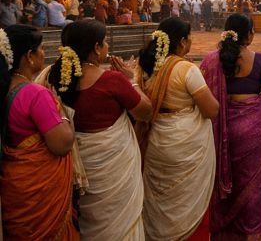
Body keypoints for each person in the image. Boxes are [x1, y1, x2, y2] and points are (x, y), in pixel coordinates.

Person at [44, 19, 153, 238]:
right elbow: (145, 112)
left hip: (82, 172)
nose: (107, 47)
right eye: (104, 43)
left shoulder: (55, 78)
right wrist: (130, 79)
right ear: (95, 48)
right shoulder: (113, 80)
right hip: (114, 176)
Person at [136, 17, 219, 240]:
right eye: (189, 38)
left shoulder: (145, 67)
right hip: (186, 146)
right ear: (182, 42)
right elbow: (211, 110)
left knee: (160, 200)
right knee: (188, 199)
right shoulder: (186, 70)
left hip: (157, 142)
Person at [200, 13, 261, 239]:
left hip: (222, 127)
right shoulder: (260, 60)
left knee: (225, 179)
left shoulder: (211, 60)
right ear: (249, 34)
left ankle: (226, 233)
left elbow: (203, 94)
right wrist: (255, 102)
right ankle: (251, 233)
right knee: (254, 183)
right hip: (253, 128)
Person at [0, 25, 79, 239]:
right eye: (42, 48)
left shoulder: (4, 87)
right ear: (29, 56)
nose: (45, 53)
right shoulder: (35, 94)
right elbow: (61, 144)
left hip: (17, 191)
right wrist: (61, 111)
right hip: (41, 198)